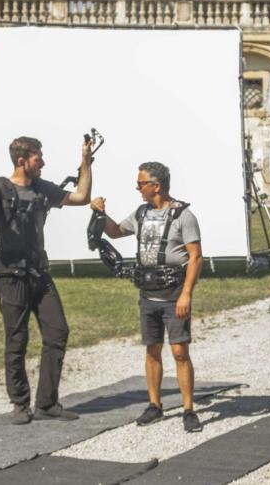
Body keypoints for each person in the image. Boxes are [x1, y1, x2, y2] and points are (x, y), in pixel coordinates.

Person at [0, 136, 94, 425]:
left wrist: (85, 160)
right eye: (38, 158)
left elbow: (81, 197)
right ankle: (20, 403)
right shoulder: (0, 187)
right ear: (23, 160)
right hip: (10, 274)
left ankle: (47, 403)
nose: (43, 163)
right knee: (17, 338)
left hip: (38, 271)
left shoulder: (41, 188)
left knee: (57, 330)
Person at [90, 161, 204, 433]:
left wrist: (186, 294)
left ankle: (189, 409)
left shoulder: (183, 216)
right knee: (152, 349)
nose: (137, 187)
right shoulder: (141, 213)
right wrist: (99, 214)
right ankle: (155, 405)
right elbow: (116, 232)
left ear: (157, 186)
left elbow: (196, 257)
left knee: (179, 351)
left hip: (174, 295)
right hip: (147, 295)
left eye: (141, 183)